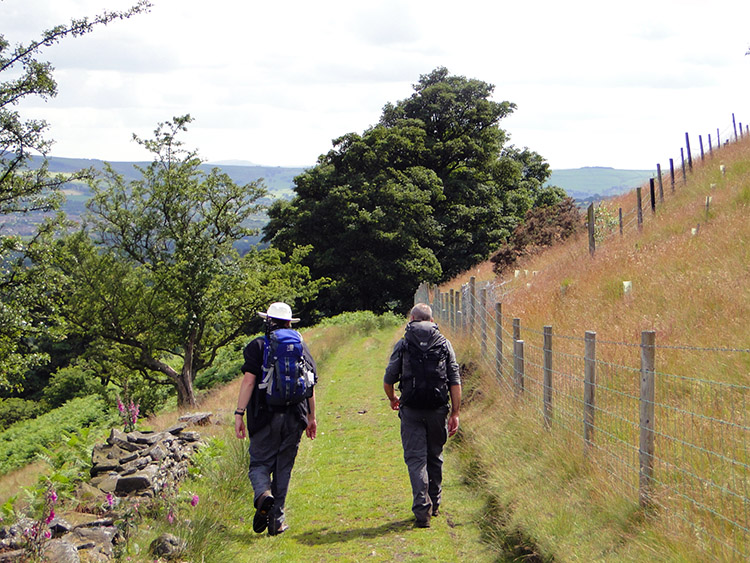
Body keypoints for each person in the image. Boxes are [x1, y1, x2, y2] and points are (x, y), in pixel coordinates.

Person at [235, 302, 317, 536]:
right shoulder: (300, 345)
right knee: (284, 468)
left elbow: (249, 382)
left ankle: (263, 494)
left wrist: (239, 414)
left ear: (267, 321)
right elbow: (310, 385)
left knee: (259, 463)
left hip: (264, 417)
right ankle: (276, 522)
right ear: (289, 322)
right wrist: (312, 417)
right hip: (295, 416)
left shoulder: (257, 346)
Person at [383, 303, 461, 528]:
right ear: (432, 320)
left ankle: (422, 510)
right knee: (435, 455)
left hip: (411, 410)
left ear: (412, 318)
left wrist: (392, 399)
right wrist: (455, 412)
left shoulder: (404, 344)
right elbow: (454, 380)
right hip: (438, 409)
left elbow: (389, 379)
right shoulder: (444, 343)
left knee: (416, 459)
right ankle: (435, 503)